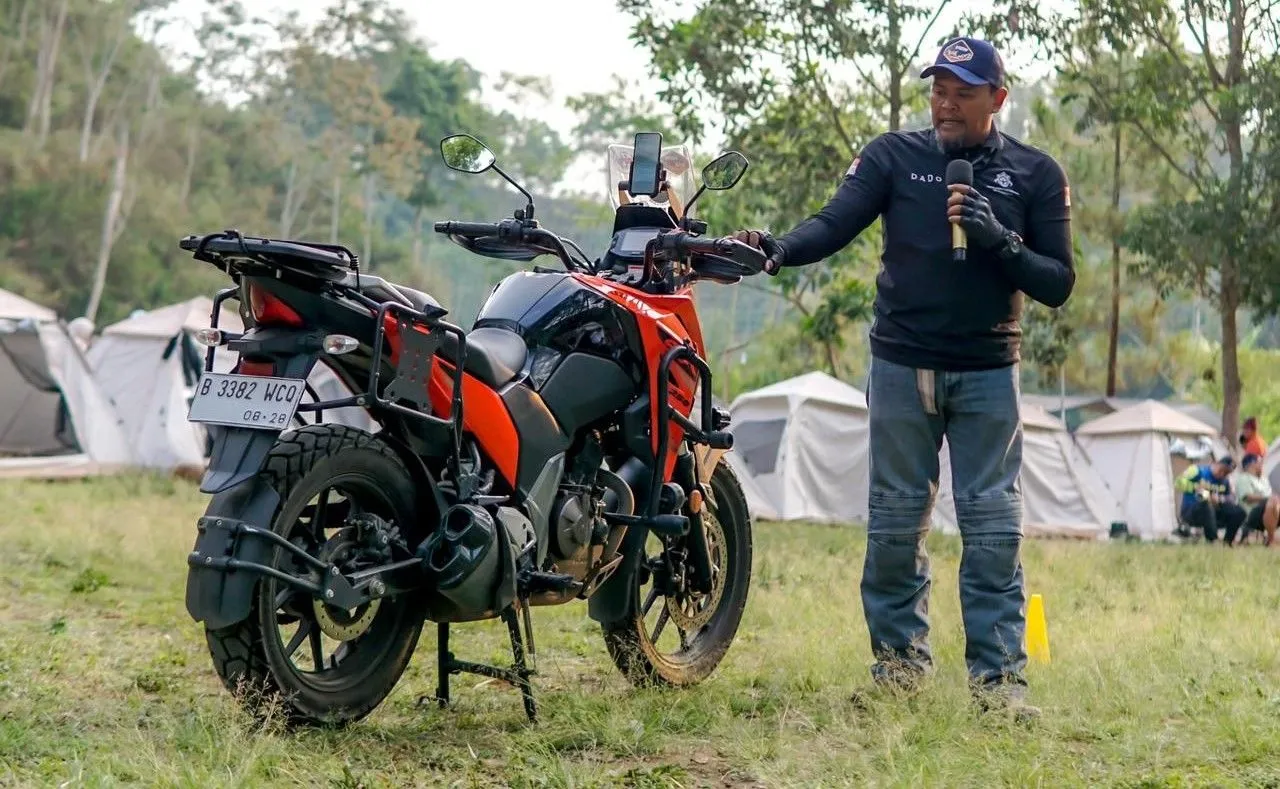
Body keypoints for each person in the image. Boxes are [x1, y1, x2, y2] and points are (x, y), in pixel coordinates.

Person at [734, 36, 1074, 720]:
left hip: (987, 372)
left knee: (993, 529)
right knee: (893, 526)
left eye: (963, 92)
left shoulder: (1036, 174)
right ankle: (898, 669)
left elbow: (1058, 281)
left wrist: (998, 239)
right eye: (938, 90)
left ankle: (1000, 685)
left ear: (997, 100)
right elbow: (834, 223)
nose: (945, 105)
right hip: (900, 365)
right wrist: (776, 250)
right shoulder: (895, 156)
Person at [1176, 456, 1246, 545]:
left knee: (1239, 511)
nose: (1222, 474)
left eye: (1227, 473)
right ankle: (1213, 540)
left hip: (1214, 513)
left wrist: (1221, 499)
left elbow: (1232, 497)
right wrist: (1194, 487)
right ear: (1216, 463)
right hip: (1192, 511)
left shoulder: (1225, 481)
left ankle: (1227, 542)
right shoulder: (1198, 471)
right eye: (1222, 470)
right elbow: (1178, 482)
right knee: (1206, 504)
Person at [1233, 453, 1279, 546]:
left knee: (1274, 501)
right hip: (1251, 513)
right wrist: (1268, 498)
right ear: (1251, 464)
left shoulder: (1263, 479)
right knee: (1272, 501)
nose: (1262, 464)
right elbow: (1247, 497)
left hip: (1270, 510)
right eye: (1260, 462)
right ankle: (1270, 541)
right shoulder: (1244, 478)